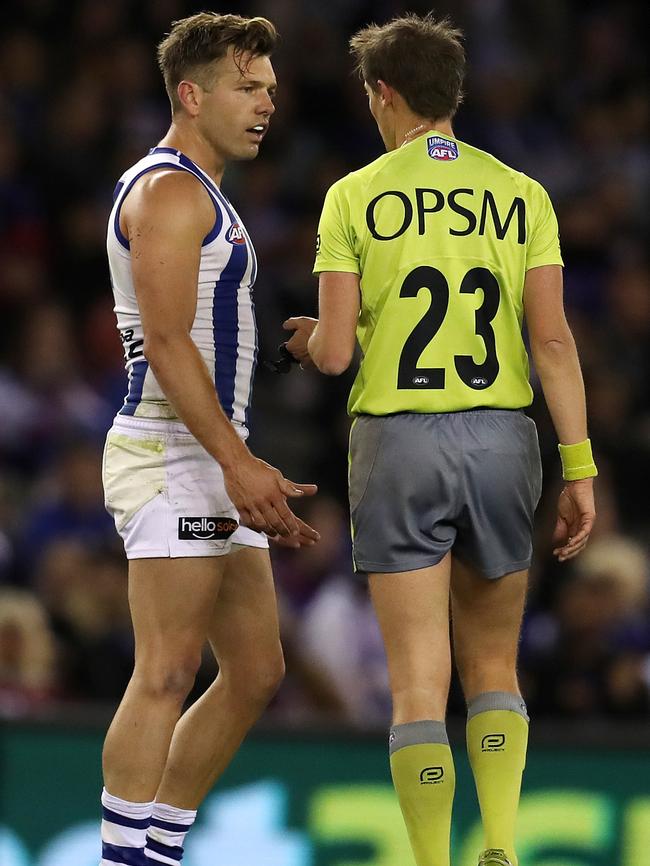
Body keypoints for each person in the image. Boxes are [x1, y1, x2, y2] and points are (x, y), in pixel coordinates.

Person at [285, 14, 596, 866]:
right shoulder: (522, 193)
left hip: (398, 442)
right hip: (504, 436)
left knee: (420, 682)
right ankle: (499, 846)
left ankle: (432, 862)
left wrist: (303, 336)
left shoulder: (353, 195)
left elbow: (339, 353)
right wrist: (580, 466)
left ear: (385, 94)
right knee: (494, 663)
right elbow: (555, 342)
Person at [99, 13, 319, 866]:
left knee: (257, 670)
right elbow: (163, 340)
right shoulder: (169, 190)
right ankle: (124, 859)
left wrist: (287, 354)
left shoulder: (202, 189)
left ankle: (157, 848)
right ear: (191, 95)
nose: (268, 101)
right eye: (247, 86)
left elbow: (200, 330)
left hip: (207, 452)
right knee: (165, 670)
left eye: (268, 86)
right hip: (170, 452)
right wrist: (239, 463)